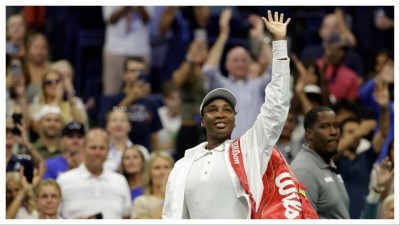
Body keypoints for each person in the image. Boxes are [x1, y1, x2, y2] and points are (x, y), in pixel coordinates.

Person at [162, 10, 290, 219]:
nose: (220, 114)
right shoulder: (183, 164)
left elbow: (277, 105)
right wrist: (223, 34)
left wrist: (279, 43)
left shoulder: (250, 152)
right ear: (202, 121)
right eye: (212, 110)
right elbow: (172, 215)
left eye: (227, 110)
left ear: (234, 119)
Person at [202, 8, 274, 139]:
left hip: (254, 148)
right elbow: (209, 69)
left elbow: (275, 71)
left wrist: (260, 37)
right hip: (226, 148)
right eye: (235, 60)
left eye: (244, 60)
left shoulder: (258, 85)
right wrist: (223, 34)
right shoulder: (221, 86)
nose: (240, 63)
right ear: (226, 65)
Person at [57, 128, 131, 219]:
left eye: (102, 148)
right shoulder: (64, 180)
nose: (97, 153)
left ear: (108, 151)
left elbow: (127, 217)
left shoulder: (120, 181)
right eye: (93, 148)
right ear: (83, 149)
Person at [290, 106, 350, 219]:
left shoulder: (327, 162)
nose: (333, 132)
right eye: (325, 126)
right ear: (309, 134)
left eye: (336, 126)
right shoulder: (304, 171)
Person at [131, 151, 174, 219]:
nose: (162, 172)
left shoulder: (179, 199)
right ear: (149, 173)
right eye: (157, 168)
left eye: (166, 167)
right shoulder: (141, 202)